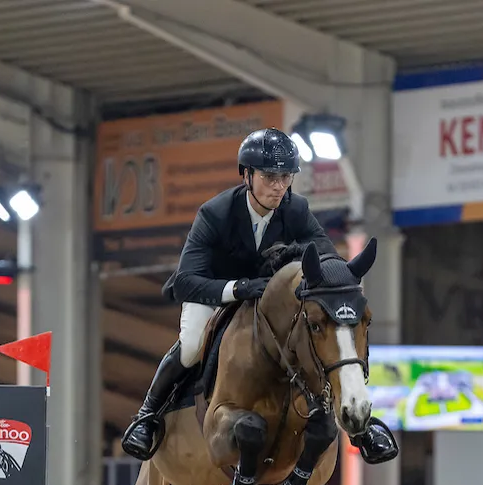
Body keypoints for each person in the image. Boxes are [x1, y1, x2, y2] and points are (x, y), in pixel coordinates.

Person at [119, 127, 397, 466]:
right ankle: (147, 416)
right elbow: (186, 282)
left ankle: (360, 426)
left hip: (267, 296)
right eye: (269, 177)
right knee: (191, 345)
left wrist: (344, 282)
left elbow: (326, 255)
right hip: (215, 289)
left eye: (286, 177)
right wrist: (237, 288)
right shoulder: (215, 213)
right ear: (247, 175)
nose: (279, 187)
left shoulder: (295, 209)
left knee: (313, 339)